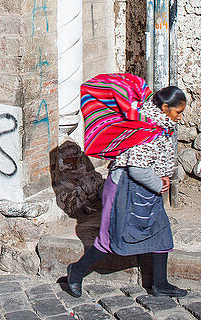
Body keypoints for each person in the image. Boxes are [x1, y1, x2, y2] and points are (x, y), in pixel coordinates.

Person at [67, 82, 187, 299]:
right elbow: (137, 168)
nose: (180, 117)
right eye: (178, 112)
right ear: (164, 108)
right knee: (110, 238)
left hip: (145, 190)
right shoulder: (147, 129)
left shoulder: (159, 125)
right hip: (125, 188)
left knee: (161, 232)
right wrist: (159, 184)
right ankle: (76, 272)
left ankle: (160, 283)